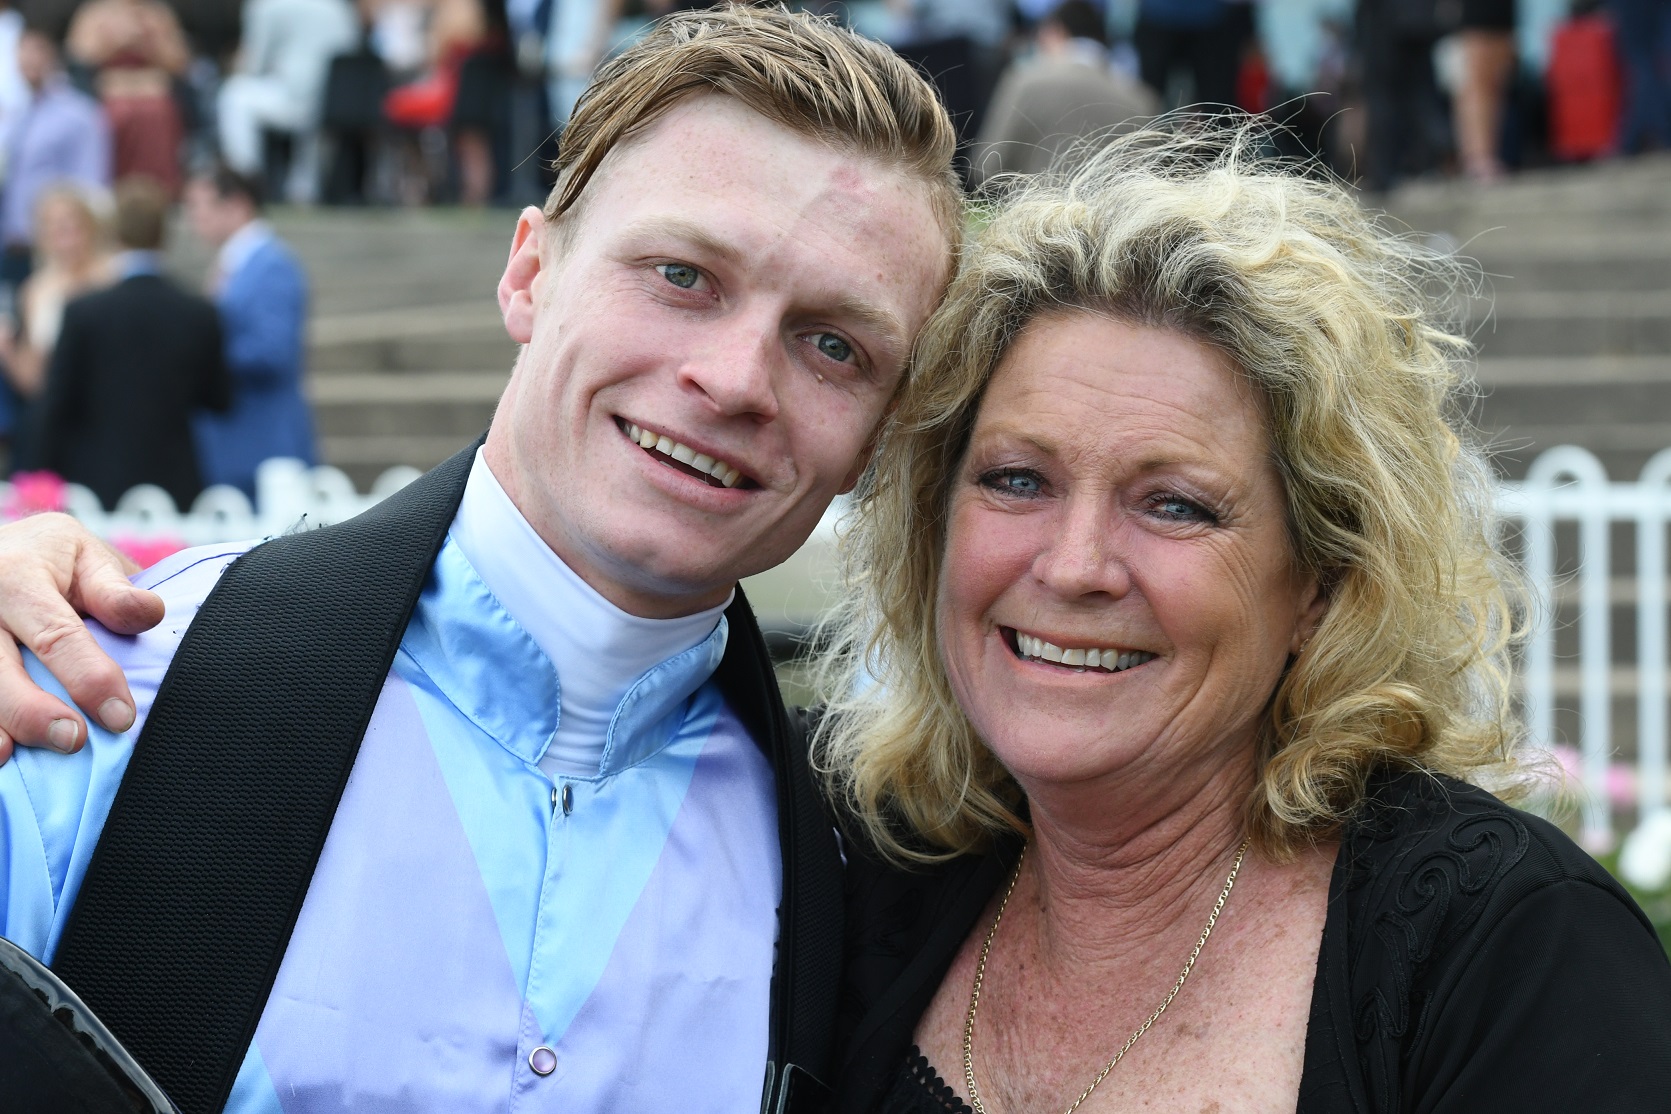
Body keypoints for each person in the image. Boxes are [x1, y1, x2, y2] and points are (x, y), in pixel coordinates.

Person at [0, 8, 960, 1110]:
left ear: (879, 436)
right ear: (529, 273)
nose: (737, 379)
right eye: (682, 275)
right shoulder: (106, 693)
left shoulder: (850, 876)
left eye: (834, 345)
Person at [812, 124, 1671, 1110]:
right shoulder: (851, 871)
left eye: (1174, 504)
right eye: (1016, 480)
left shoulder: (1510, 955)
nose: (1074, 566)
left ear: (1321, 582)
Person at [34, 176, 229, 511]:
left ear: (115, 234)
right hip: (176, 481)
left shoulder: (83, 311)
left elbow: (57, 402)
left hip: (97, 483)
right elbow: (220, 399)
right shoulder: (199, 312)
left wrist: (38, 476)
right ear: (164, 234)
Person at [185, 163, 316, 499]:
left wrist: (201, 359)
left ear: (237, 204)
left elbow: (273, 350)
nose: (194, 218)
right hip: (235, 444)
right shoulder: (235, 263)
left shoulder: (272, 264)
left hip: (263, 443)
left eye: (201, 206)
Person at [970, 0, 1158, 184]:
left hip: (1032, 203)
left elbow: (985, 167)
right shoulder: (1141, 100)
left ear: (1056, 31)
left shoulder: (1024, 82)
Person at [0, 184, 115, 468]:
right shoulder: (36, 289)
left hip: (105, 411)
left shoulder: (111, 278)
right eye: (52, 225)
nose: (62, 233)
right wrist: (6, 349)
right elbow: (32, 379)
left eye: (70, 223)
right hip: (55, 416)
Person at [0, 27, 112, 290]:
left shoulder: (79, 114)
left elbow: (91, 187)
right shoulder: (17, 112)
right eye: (23, 50)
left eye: (37, 50)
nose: (29, 59)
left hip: (53, 250)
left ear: (54, 56)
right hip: (11, 244)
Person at [217, 0, 360, 203]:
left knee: (234, 95)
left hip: (294, 99)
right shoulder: (338, 7)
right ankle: (304, 189)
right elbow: (351, 51)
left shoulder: (265, 6)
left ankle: (244, 180)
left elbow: (254, 64)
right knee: (312, 126)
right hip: (338, 101)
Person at [64, 0, 191, 195]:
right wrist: (113, 42)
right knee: (118, 115)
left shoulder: (157, 13)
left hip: (153, 93)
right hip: (109, 94)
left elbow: (179, 62)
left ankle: (162, 192)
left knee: (160, 113)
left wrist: (148, 42)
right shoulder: (94, 13)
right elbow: (80, 59)